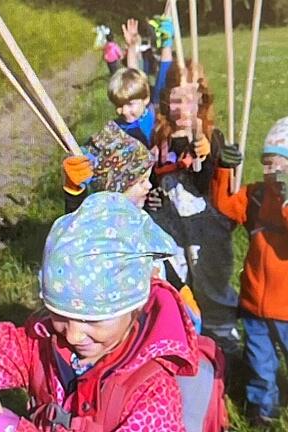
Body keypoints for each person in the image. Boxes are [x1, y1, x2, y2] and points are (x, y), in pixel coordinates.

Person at [0, 192, 204, 431]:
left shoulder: (153, 390)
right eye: (60, 314)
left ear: (135, 305)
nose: (74, 334)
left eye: (94, 319)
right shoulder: (41, 342)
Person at [211, 114, 288, 423]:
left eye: (285, 166)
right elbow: (225, 205)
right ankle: (263, 413)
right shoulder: (257, 194)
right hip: (255, 304)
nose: (276, 172)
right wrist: (224, 169)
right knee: (259, 364)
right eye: (268, 164)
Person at [62, 121, 202, 332]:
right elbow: (78, 228)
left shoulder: (139, 217)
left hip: (166, 313)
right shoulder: (103, 227)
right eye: (140, 182)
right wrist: (74, 192)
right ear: (116, 189)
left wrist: (181, 289)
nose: (149, 185)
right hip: (135, 327)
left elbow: (159, 257)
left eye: (148, 179)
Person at [149, 60, 241, 358]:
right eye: (175, 98)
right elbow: (153, 180)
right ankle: (184, 340)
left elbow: (207, 186)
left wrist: (210, 156)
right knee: (174, 280)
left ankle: (224, 343)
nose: (182, 107)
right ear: (167, 100)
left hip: (205, 226)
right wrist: (152, 196)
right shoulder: (161, 137)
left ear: (201, 100)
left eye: (189, 98)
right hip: (171, 225)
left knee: (210, 279)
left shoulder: (211, 136)